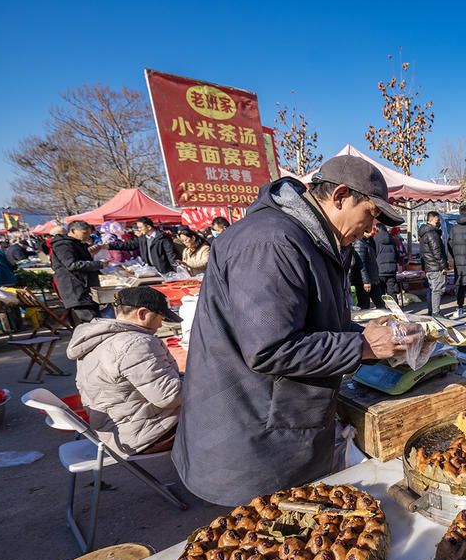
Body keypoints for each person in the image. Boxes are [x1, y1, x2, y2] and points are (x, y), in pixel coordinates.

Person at [172, 156, 419, 505]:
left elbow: (310, 323)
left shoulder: (316, 240)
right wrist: (361, 346)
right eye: (370, 214)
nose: (371, 229)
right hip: (251, 438)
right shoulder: (271, 242)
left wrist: (361, 333)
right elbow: (269, 346)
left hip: (286, 426)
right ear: (340, 196)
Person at [67, 287, 183, 455]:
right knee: (224, 409)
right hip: (143, 435)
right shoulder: (136, 343)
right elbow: (170, 396)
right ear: (142, 314)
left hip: (114, 432)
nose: (160, 324)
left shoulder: (96, 338)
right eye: (161, 318)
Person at [50, 221, 105, 324]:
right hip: (76, 290)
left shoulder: (77, 243)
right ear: (73, 231)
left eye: (89, 233)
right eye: (85, 233)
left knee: (95, 321)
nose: (88, 236)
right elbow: (72, 264)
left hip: (85, 289)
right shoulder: (63, 245)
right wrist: (99, 264)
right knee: (90, 323)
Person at [108, 217, 180, 275]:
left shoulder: (163, 237)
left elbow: (170, 253)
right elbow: (129, 245)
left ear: (148, 227)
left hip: (164, 271)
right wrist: (109, 246)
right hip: (150, 271)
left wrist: (176, 269)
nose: (139, 229)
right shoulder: (142, 238)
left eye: (140, 227)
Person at [418, 211, 449, 316]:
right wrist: (443, 266)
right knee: (437, 290)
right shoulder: (432, 233)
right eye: (437, 221)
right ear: (430, 220)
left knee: (432, 289)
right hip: (435, 267)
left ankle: (432, 310)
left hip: (429, 266)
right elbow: (437, 251)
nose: (438, 223)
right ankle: (436, 312)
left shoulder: (424, 233)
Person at [350, 229, 383, 309]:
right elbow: (361, 264)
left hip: (372, 279)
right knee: (364, 305)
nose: (373, 231)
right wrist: (366, 281)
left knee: (380, 304)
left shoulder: (368, 241)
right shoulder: (359, 243)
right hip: (364, 281)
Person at [372, 220, 400, 304]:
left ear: (376, 229)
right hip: (391, 270)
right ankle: (396, 312)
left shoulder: (375, 239)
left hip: (379, 270)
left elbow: (373, 254)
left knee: (381, 293)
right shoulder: (392, 239)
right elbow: (397, 254)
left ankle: (383, 312)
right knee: (392, 293)